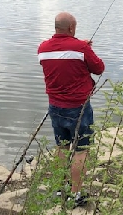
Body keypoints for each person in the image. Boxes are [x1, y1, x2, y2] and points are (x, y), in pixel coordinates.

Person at [38, 12, 105, 206]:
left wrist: (78, 47)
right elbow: (99, 68)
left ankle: (61, 188)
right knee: (80, 150)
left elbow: (62, 58)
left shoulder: (43, 48)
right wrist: (83, 48)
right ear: (71, 28)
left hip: (55, 106)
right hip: (79, 108)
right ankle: (76, 195)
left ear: (56, 27)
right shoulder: (81, 48)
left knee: (62, 147)